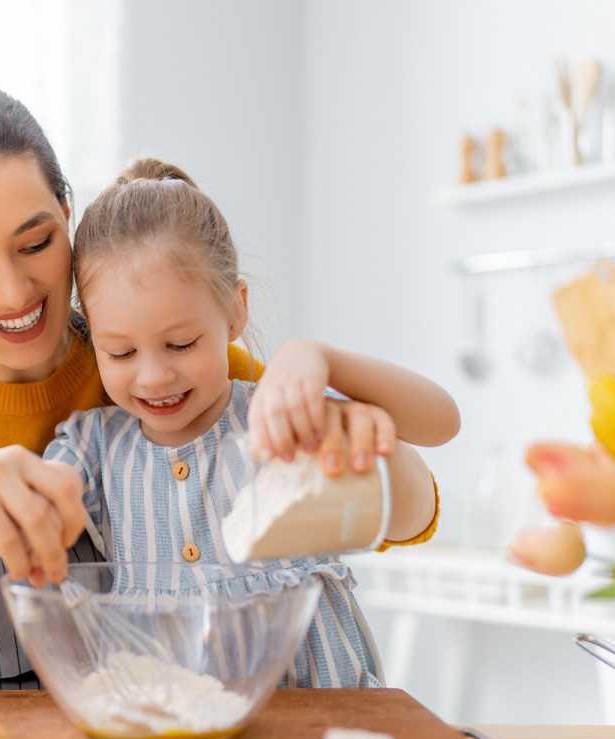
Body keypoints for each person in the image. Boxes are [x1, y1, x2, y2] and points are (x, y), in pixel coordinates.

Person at [0, 79, 459, 694]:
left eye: (36, 243)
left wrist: (328, 386)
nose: (14, 292)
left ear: (68, 217)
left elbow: (405, 510)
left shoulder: (166, 361)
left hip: (157, 730)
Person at [43, 157, 459, 687]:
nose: (153, 376)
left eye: (181, 344)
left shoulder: (285, 416)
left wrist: (323, 357)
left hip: (319, 724)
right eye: (120, 352)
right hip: (180, 736)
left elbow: (442, 423)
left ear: (235, 310)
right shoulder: (92, 447)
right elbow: (36, 502)